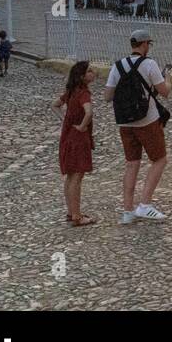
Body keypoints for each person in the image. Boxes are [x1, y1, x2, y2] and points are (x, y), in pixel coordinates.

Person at [103, 28, 171, 224]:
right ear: (144, 45)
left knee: (132, 163)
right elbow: (164, 92)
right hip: (146, 120)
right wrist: (168, 79)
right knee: (159, 160)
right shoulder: (149, 64)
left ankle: (127, 211)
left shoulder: (117, 66)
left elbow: (107, 96)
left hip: (125, 122)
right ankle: (145, 204)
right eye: (149, 43)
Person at [54, 60, 97, 226]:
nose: (93, 73)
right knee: (77, 176)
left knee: (71, 176)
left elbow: (55, 105)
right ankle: (77, 216)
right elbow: (89, 112)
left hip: (68, 135)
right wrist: (82, 126)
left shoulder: (71, 91)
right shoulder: (83, 93)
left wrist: (65, 120)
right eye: (89, 71)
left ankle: (71, 211)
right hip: (78, 138)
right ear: (82, 76)